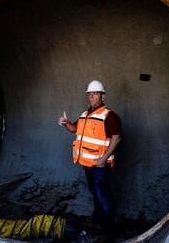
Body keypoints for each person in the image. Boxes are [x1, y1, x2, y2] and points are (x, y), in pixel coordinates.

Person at [58, 80, 121, 239]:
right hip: (87, 165)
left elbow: (117, 137)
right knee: (95, 193)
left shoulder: (109, 115)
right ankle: (98, 222)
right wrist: (66, 123)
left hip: (100, 166)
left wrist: (104, 158)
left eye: (95, 94)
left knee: (103, 197)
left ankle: (108, 232)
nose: (92, 97)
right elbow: (74, 129)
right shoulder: (85, 115)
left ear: (102, 96)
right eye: (90, 94)